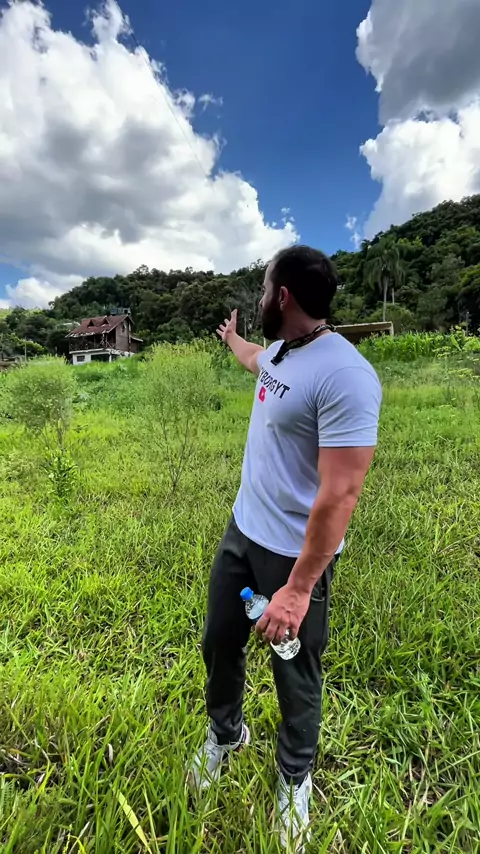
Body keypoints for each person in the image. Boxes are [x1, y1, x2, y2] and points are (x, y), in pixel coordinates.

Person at [189, 245, 382, 850]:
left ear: (283, 295)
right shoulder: (280, 352)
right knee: (219, 641)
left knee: (294, 670)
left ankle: (295, 777)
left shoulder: (345, 374)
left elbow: (341, 494)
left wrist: (297, 590)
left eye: (262, 288)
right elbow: (254, 359)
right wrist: (231, 339)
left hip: (292, 559)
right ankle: (227, 734)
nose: (258, 298)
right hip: (242, 533)